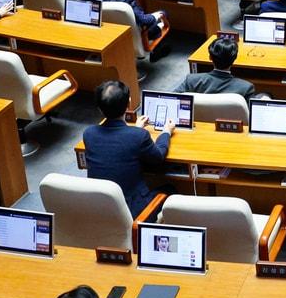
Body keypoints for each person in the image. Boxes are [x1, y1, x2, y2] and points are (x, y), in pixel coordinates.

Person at [81, 80, 172, 212]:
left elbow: (116, 146)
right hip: (132, 211)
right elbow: (158, 157)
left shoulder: (89, 134)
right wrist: (166, 132)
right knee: (171, 189)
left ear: (100, 109)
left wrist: (136, 129)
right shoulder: (138, 136)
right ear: (128, 103)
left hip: (100, 208)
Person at [177, 36, 255, 100]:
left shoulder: (191, 80)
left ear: (210, 57)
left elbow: (170, 98)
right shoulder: (246, 88)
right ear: (234, 58)